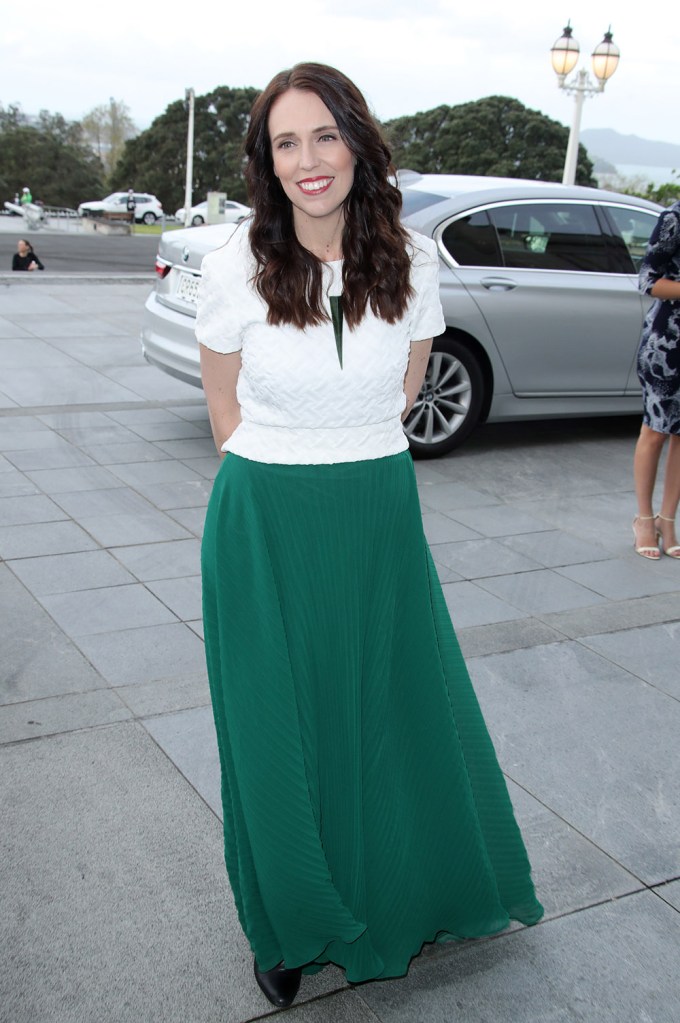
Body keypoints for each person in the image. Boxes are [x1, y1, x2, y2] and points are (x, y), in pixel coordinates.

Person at [196, 62, 543, 1009]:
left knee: (390, 709)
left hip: (378, 511)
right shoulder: (233, 265)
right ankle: (291, 923)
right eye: (286, 142)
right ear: (267, 162)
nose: (308, 159)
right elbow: (224, 412)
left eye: (324, 135)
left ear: (357, 142)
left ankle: (401, 890)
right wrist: (292, 466)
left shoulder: (414, 259)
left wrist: (347, 456)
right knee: (279, 729)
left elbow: (403, 391)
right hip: (268, 522)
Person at [632, 199, 680, 559]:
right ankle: (644, 519)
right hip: (667, 345)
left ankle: (668, 519)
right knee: (656, 431)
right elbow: (647, 280)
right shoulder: (674, 218)